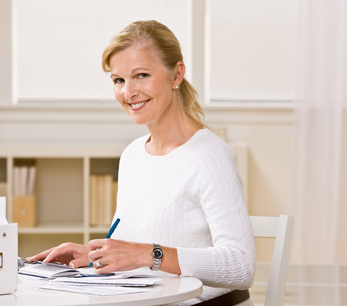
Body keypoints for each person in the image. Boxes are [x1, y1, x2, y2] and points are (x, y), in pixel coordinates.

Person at [27, 20, 255, 305]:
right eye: (118, 80)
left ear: (177, 75)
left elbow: (241, 266)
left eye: (142, 75)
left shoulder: (209, 155)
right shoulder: (133, 155)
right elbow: (130, 244)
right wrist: (93, 254)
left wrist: (149, 254)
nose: (128, 92)